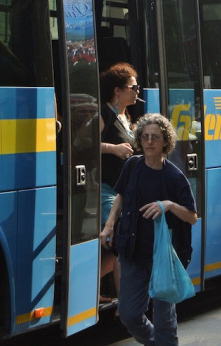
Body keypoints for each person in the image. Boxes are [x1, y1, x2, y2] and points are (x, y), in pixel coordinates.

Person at [100, 113, 197, 344]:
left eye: (155, 137)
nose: (149, 141)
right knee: (129, 314)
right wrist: (109, 224)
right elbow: (121, 195)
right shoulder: (133, 165)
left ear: (165, 141)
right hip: (133, 252)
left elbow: (192, 217)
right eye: (145, 137)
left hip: (163, 257)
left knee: (164, 320)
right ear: (140, 140)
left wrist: (169, 205)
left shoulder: (174, 177)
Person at [98, 62, 141, 303]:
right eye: (133, 87)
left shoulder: (126, 117)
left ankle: (90, 287)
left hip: (124, 192)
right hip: (107, 190)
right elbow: (82, 145)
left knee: (116, 248)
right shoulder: (104, 113)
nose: (137, 92)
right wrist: (113, 149)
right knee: (121, 242)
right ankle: (126, 306)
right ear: (117, 90)